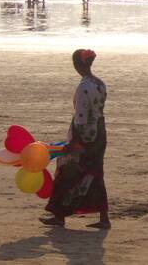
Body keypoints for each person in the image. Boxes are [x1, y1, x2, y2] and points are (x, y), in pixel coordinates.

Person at [41, 49, 110, 229]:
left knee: (66, 169)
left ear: (77, 65)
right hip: (100, 131)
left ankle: (59, 215)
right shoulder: (100, 84)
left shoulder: (83, 88)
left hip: (85, 134)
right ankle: (104, 218)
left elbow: (81, 117)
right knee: (95, 172)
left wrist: (74, 142)